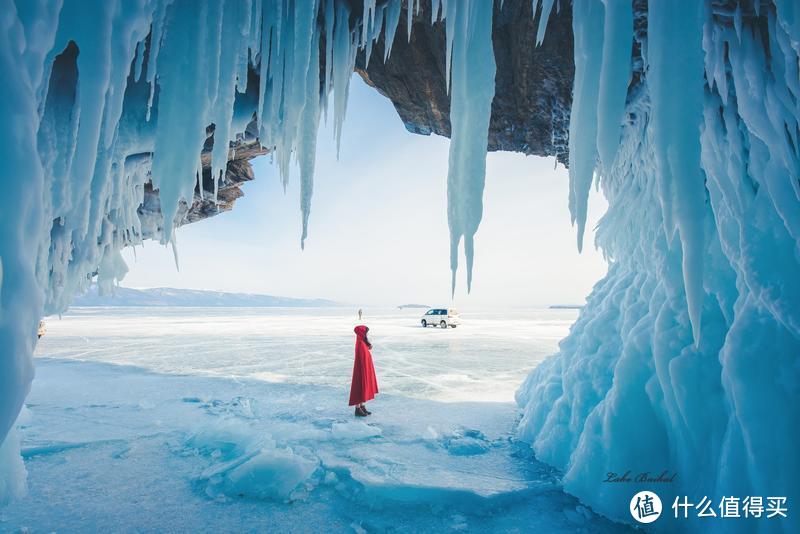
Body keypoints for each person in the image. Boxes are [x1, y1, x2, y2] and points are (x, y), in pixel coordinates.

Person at [349, 325, 378, 417]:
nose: (367, 333)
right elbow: (362, 358)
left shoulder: (362, 342)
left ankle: (362, 406)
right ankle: (357, 408)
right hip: (361, 370)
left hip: (364, 369)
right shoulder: (360, 343)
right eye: (366, 332)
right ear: (362, 333)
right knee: (359, 388)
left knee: (363, 388)